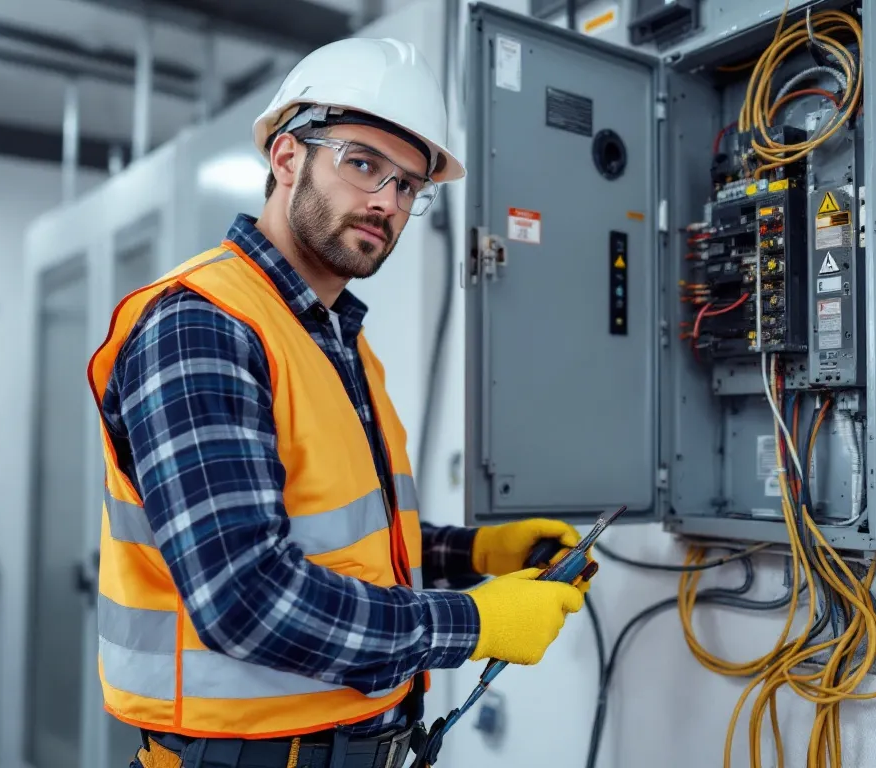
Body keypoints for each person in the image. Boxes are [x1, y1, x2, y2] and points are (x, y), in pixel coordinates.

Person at [86, 36, 591, 768]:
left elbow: (339, 547)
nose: (387, 200)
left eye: (409, 186)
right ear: (287, 158)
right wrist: (472, 621)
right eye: (363, 164)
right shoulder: (203, 325)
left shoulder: (336, 341)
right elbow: (246, 596)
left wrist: (471, 553)